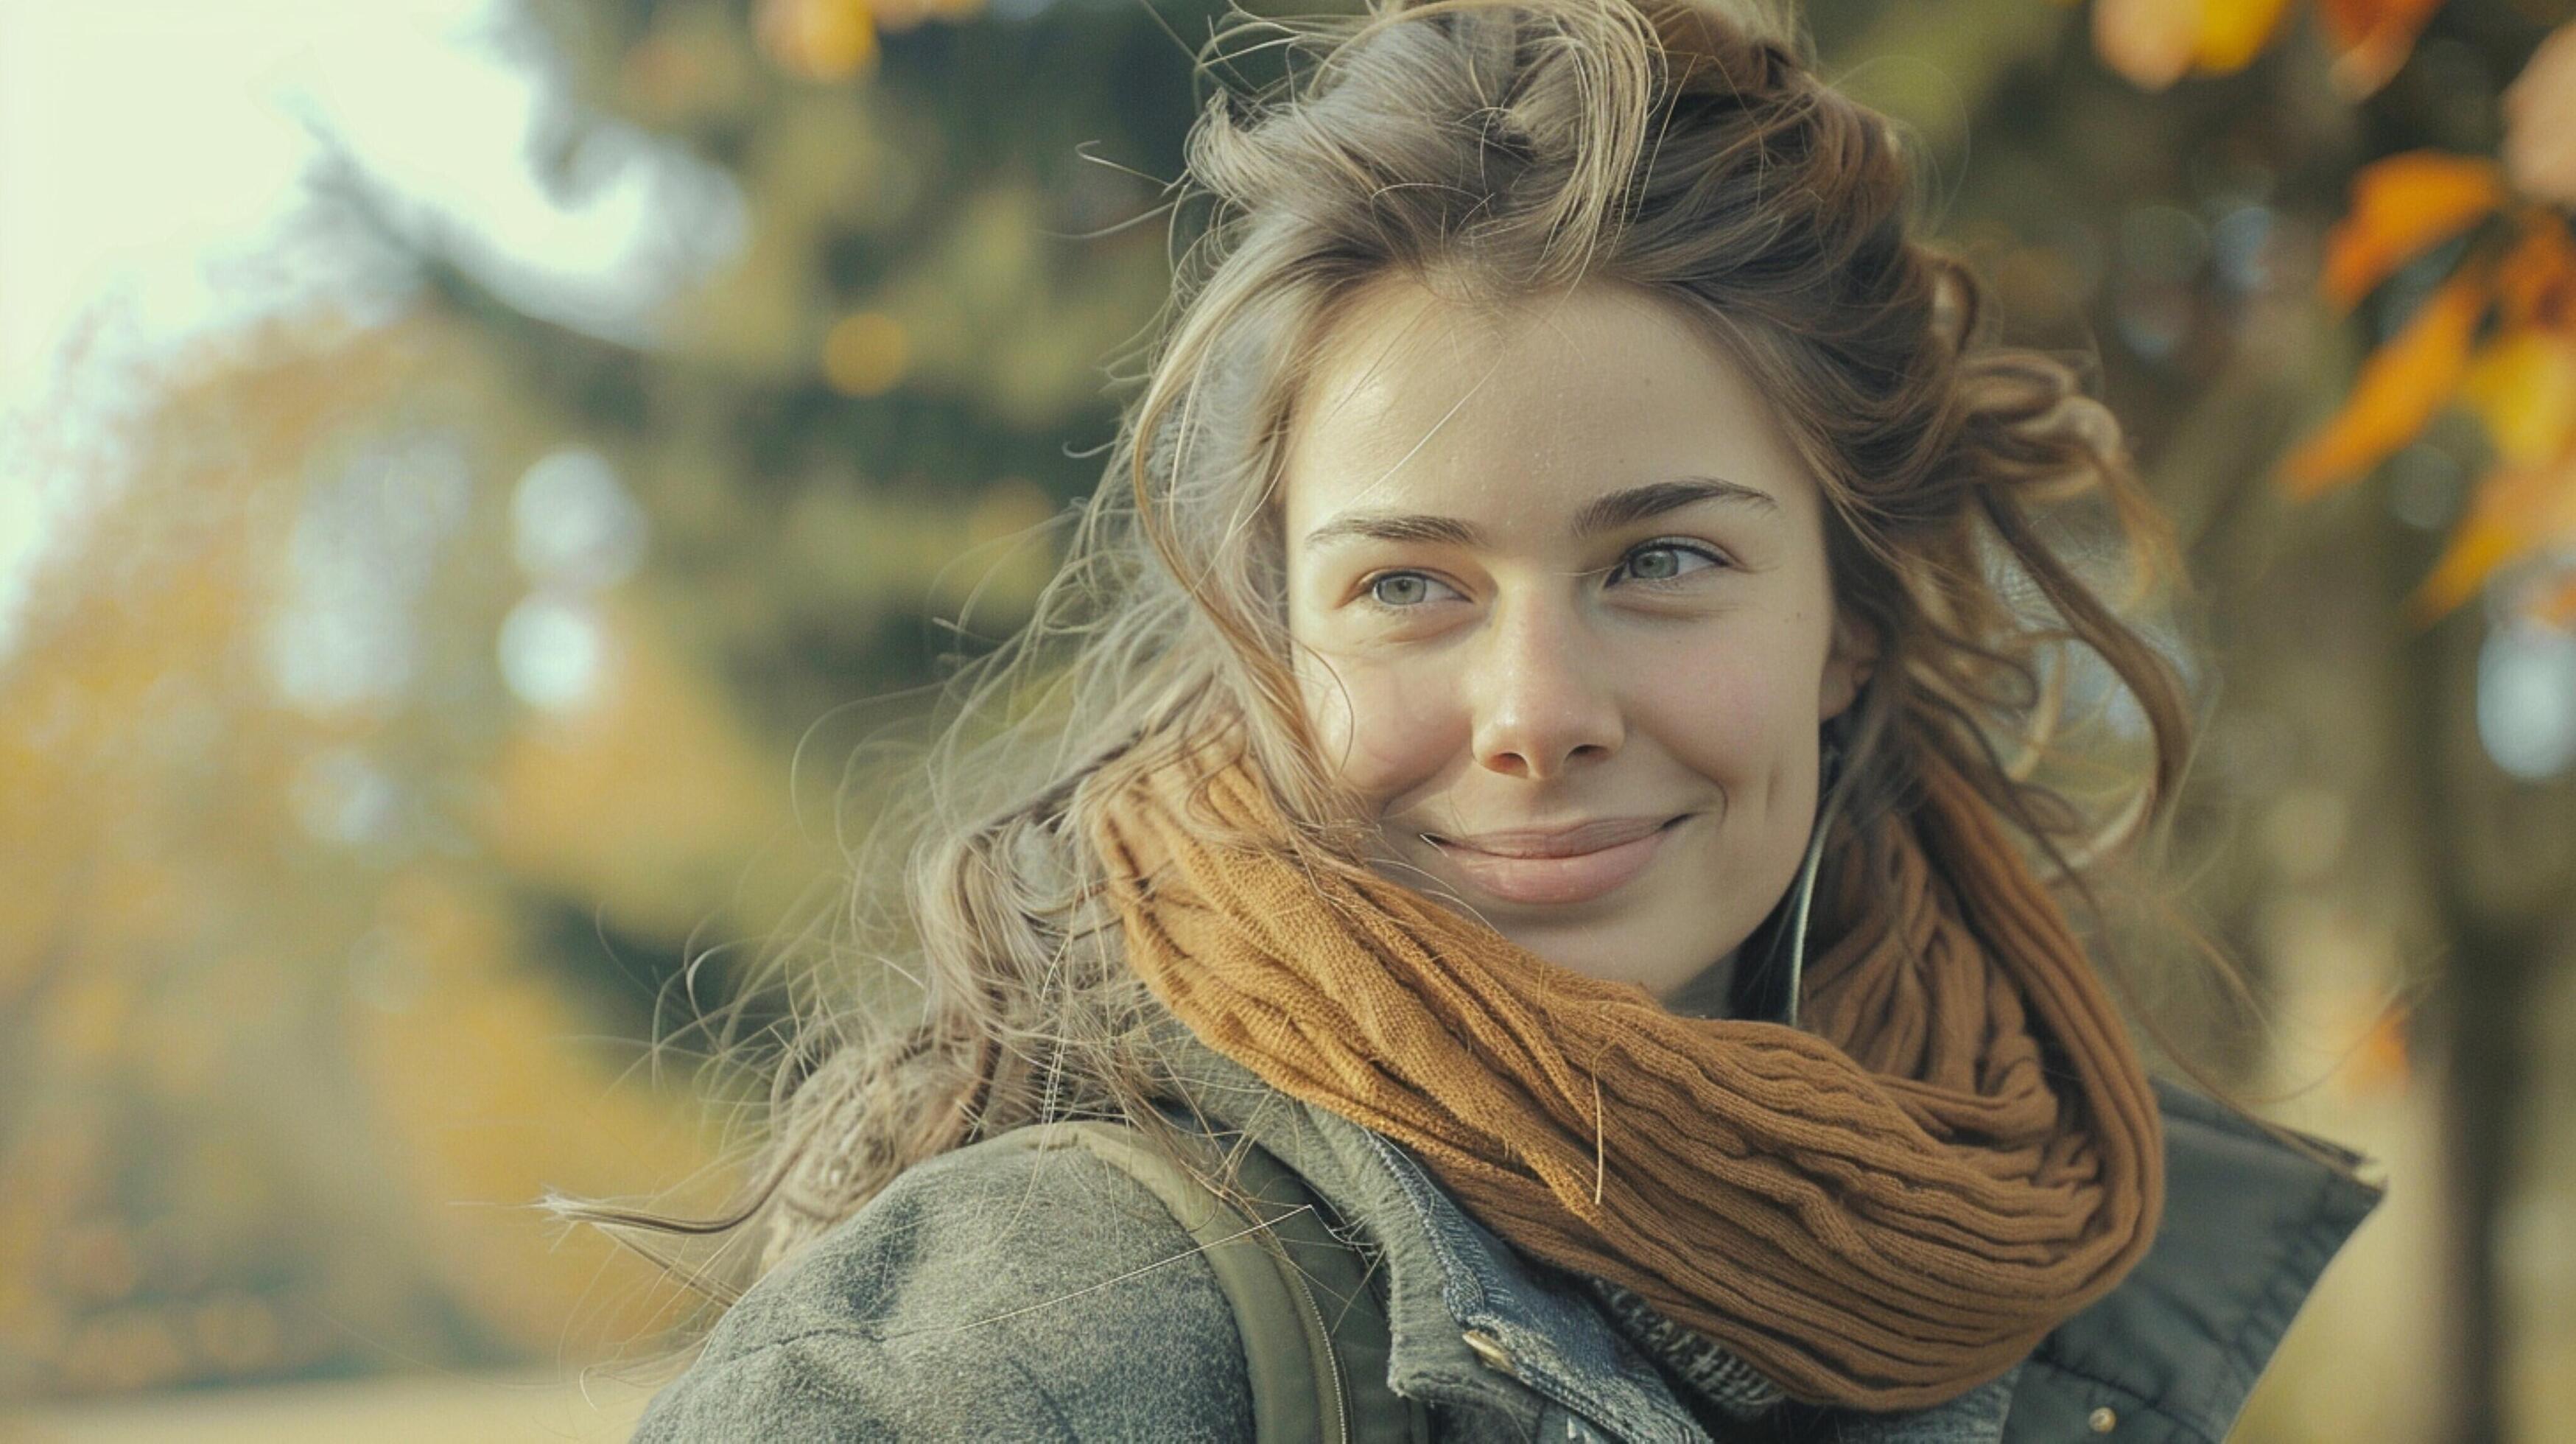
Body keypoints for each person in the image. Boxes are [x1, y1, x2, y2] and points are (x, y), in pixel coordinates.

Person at [611, 0, 2383, 1437]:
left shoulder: (2032, 1240)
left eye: (1664, 558)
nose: (1535, 714)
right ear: (1271, 636)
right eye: (1408, 587)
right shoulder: (1046, 1339)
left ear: (1852, 613)